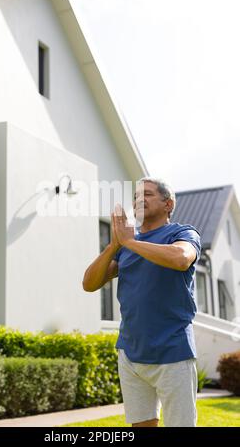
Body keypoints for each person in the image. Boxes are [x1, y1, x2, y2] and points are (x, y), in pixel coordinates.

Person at [82, 177, 201, 427]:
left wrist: (130, 243)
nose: (138, 200)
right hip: (130, 352)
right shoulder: (125, 245)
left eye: (146, 194)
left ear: (168, 204)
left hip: (173, 350)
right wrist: (114, 244)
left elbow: (181, 258)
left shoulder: (182, 233)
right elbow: (89, 284)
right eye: (135, 196)